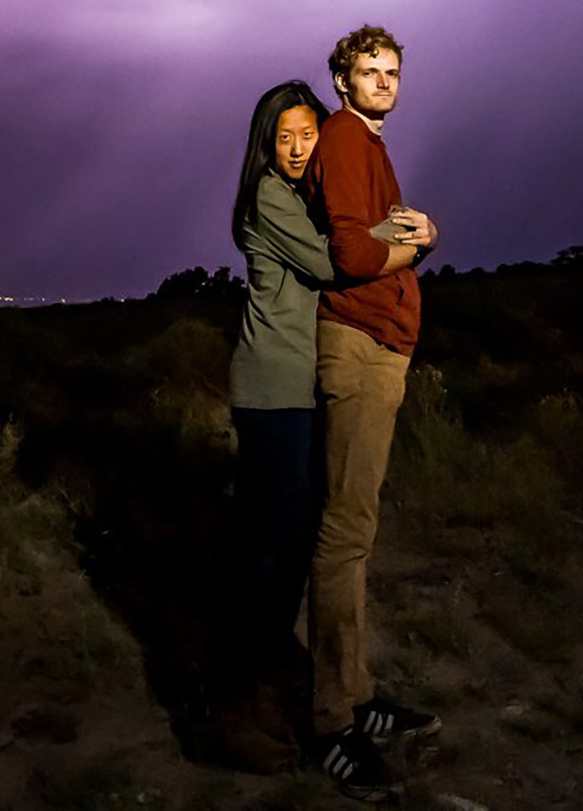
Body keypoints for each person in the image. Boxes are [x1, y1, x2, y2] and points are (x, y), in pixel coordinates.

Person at [215, 79, 421, 774]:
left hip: (297, 389)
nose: (300, 148)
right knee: (274, 548)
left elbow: (344, 237)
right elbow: (336, 261)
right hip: (272, 389)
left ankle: (273, 689)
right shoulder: (270, 197)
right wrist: (411, 240)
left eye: (308, 134)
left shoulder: (300, 197)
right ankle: (235, 706)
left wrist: (382, 231)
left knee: (294, 538)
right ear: (265, 143)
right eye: (286, 137)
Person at [304, 24, 440, 797]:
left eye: (392, 71)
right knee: (343, 534)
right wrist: (411, 250)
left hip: (377, 345)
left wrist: (423, 231)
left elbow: (378, 234)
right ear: (342, 77)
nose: (384, 81)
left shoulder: (370, 145)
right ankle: (332, 722)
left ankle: (356, 696)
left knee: (355, 532)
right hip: (356, 345)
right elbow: (355, 255)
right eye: (369, 70)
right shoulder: (347, 137)